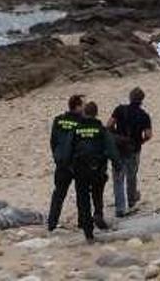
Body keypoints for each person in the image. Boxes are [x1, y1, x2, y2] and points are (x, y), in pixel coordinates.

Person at [71, 101, 120, 242]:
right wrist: (117, 164)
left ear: (84, 113)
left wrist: (67, 166)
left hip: (80, 169)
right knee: (97, 193)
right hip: (98, 168)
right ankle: (98, 213)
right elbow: (111, 149)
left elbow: (69, 148)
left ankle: (88, 231)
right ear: (96, 113)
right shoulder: (101, 130)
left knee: (83, 198)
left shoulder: (76, 130)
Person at [107, 87, 153, 217]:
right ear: (142, 100)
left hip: (119, 148)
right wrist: (141, 141)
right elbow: (148, 135)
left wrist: (115, 137)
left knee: (118, 178)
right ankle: (132, 201)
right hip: (134, 149)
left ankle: (120, 208)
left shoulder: (120, 109)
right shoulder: (144, 115)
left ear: (130, 97)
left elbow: (109, 125)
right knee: (132, 176)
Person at [47, 94, 83, 232]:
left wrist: (57, 157)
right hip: (77, 163)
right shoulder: (83, 121)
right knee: (82, 193)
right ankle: (82, 222)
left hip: (61, 163)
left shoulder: (58, 120)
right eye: (82, 105)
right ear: (78, 106)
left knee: (58, 195)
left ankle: (52, 223)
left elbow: (53, 141)